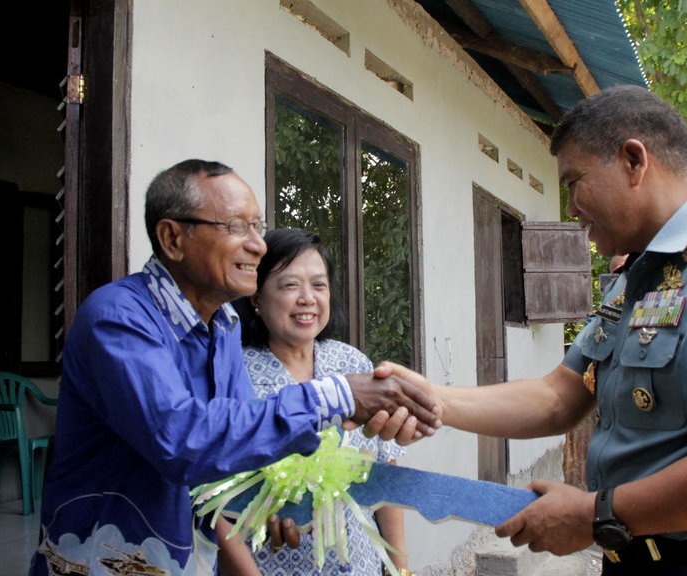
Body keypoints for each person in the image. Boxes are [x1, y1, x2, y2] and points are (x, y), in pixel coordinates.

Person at [379, 85, 687, 575]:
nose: (570, 208)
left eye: (573, 181)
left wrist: (594, 514)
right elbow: (559, 397)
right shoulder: (635, 279)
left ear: (634, 161)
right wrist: (432, 398)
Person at [27, 159, 440, 576]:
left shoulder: (223, 327)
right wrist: (339, 395)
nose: (258, 245)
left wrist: (268, 504)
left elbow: (236, 453)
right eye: (236, 227)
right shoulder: (118, 317)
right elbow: (181, 440)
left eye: (258, 227)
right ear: (172, 238)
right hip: (104, 561)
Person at [216, 228, 411, 575]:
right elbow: (212, 498)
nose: (307, 298)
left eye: (318, 285)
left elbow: (385, 475)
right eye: (290, 285)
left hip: (360, 564)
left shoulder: (354, 366)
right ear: (256, 298)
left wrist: (400, 568)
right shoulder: (233, 374)